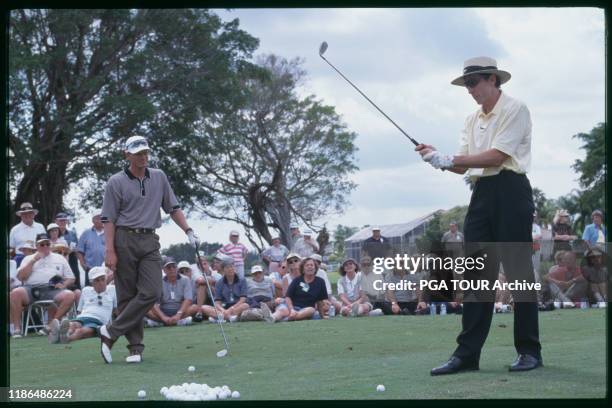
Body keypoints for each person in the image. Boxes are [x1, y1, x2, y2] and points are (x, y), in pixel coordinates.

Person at [417, 56, 542, 374]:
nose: (469, 89)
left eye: (474, 83)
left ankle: (530, 351)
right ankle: (467, 355)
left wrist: (450, 159)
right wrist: (437, 157)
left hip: (512, 190)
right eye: (466, 84)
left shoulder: (515, 108)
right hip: (481, 194)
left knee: (518, 273)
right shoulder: (471, 119)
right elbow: (464, 164)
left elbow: (498, 156)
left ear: (492, 80)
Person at [99, 135, 199, 364]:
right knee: (126, 296)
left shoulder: (159, 177)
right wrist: (110, 250)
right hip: (123, 239)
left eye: (146, 152)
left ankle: (110, 332)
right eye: (138, 153)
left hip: (150, 239)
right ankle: (135, 349)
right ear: (127, 155)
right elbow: (108, 219)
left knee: (152, 292)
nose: (143, 157)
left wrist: (189, 230)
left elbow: (173, 208)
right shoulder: (115, 181)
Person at [9, 233, 76, 338]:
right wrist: (34, 260)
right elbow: (21, 277)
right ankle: (17, 329)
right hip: (31, 289)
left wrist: (64, 284)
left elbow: (71, 278)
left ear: (50, 244)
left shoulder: (59, 258)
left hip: (52, 289)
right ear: (36, 246)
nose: (45, 247)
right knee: (15, 293)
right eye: (42, 244)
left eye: (47, 244)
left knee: (70, 295)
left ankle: (50, 325)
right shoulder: (28, 258)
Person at [48, 266, 117, 344]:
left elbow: (116, 310)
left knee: (81, 331)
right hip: (83, 317)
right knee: (73, 325)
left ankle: (64, 337)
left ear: (106, 279)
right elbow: (80, 311)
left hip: (99, 321)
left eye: (103, 279)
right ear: (92, 282)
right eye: (97, 280)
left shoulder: (112, 289)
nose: (101, 283)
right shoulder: (86, 290)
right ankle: (62, 332)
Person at [266, 257, 328, 322]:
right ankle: (272, 317)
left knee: (311, 310)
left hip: (306, 309)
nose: (310, 267)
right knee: (283, 310)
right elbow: (288, 297)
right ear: (303, 269)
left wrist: (322, 315)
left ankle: (288, 319)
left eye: (312, 265)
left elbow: (320, 301)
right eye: (307, 265)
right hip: (292, 305)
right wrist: (291, 309)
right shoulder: (297, 280)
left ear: (315, 268)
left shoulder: (320, 282)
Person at [144, 258, 198, 329]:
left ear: (177, 268)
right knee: (145, 309)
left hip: (180, 310)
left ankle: (161, 322)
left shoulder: (185, 279)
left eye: (174, 267)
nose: (172, 269)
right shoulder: (158, 281)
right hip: (163, 311)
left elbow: (188, 299)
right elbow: (152, 302)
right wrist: (163, 317)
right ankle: (175, 321)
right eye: (169, 267)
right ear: (164, 270)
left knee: (194, 307)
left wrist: (178, 314)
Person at [201, 257, 249, 322]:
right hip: (224, 307)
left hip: (237, 306)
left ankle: (220, 318)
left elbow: (243, 299)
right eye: (227, 267)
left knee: (245, 305)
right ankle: (230, 318)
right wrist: (223, 310)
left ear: (235, 268)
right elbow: (217, 302)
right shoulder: (219, 283)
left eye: (232, 267)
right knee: (204, 307)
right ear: (223, 270)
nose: (230, 269)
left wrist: (231, 309)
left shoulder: (242, 280)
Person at [9, 202, 46, 266]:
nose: (27, 215)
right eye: (24, 214)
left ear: (34, 214)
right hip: (20, 259)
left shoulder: (40, 227)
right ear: (20, 215)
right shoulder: (14, 229)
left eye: (30, 213)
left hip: (38, 258)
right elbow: (12, 248)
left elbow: (45, 243)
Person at [77, 211, 106, 287]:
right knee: (90, 291)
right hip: (90, 268)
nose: (100, 220)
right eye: (97, 218)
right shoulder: (86, 233)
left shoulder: (109, 232)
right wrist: (82, 264)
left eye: (101, 218)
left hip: (106, 269)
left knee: (106, 290)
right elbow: (79, 250)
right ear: (93, 220)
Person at [55, 212, 82, 289]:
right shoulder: (53, 233)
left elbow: (76, 247)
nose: (63, 222)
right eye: (60, 220)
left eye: (64, 220)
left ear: (67, 221)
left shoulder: (72, 234)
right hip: (58, 260)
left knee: (75, 281)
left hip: (72, 260)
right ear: (56, 221)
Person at [532, 211, 543, 283]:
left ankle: (536, 282)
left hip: (535, 248)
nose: (532, 218)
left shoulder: (537, 227)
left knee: (536, 266)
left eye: (533, 217)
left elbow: (539, 236)